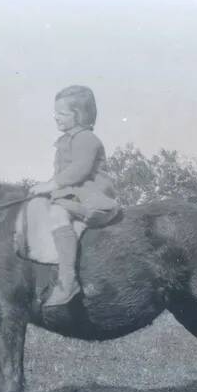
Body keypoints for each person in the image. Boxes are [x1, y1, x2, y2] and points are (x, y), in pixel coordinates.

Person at [30, 85, 121, 307]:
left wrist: (52, 184)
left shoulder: (86, 139)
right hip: (74, 193)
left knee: (58, 212)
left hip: (91, 195)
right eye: (55, 112)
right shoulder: (65, 141)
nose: (55, 117)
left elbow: (80, 169)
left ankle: (68, 280)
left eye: (61, 113)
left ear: (78, 116)